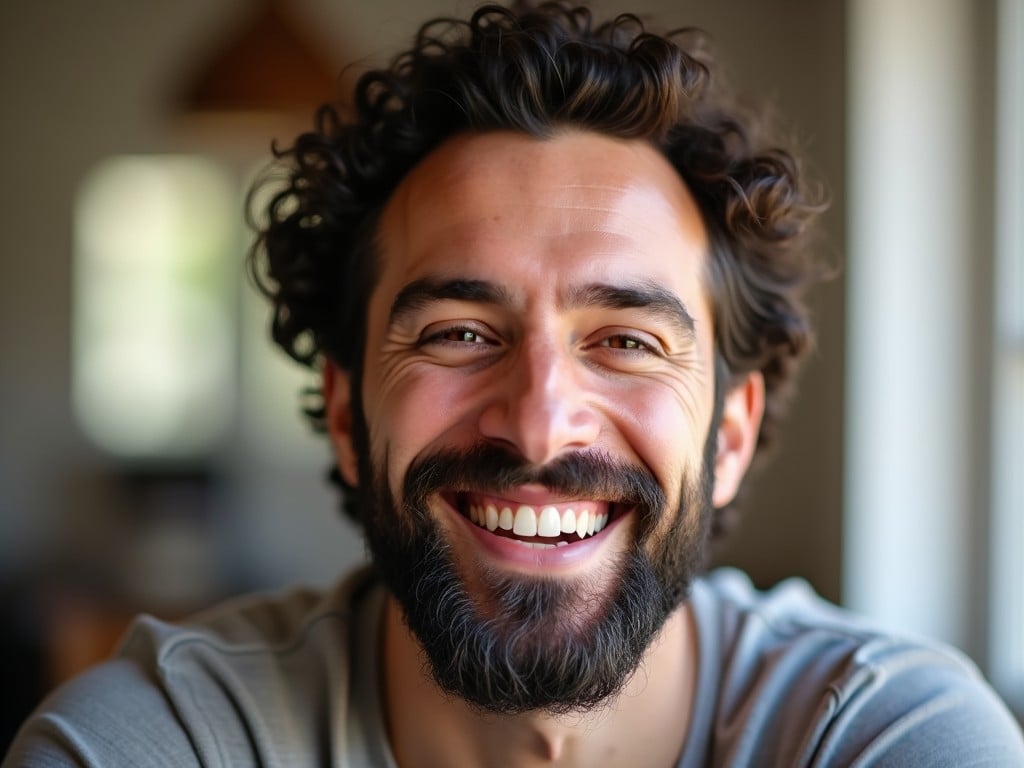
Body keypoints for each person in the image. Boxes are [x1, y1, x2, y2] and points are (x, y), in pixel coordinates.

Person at [6, 2, 1024, 766]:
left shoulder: (884, 737)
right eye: (457, 332)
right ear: (351, 415)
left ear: (729, 435)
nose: (540, 422)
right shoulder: (156, 744)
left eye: (624, 340)